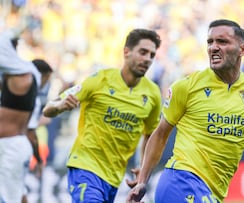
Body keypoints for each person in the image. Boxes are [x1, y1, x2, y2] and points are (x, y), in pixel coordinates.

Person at [127, 19, 244, 203]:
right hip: (180, 180)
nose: (213, 47)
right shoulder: (187, 87)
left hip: (213, 192)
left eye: (222, 42)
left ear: (242, 49)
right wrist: (142, 181)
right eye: (210, 42)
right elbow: (160, 135)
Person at [42, 28, 162, 203]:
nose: (147, 59)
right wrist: (60, 106)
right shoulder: (100, 80)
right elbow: (48, 108)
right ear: (126, 52)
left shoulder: (152, 93)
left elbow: (151, 135)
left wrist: (143, 169)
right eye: (143, 52)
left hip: (114, 177)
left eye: (152, 55)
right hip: (85, 166)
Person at [0, 30, 41, 202]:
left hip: (11, 147)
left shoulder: (23, 76)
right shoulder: (20, 73)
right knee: (18, 196)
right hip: (11, 147)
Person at [22, 59, 54, 203]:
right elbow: (30, 132)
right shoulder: (31, 98)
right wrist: (39, 160)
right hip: (14, 150)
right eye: (46, 79)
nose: (45, 84)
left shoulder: (11, 88)